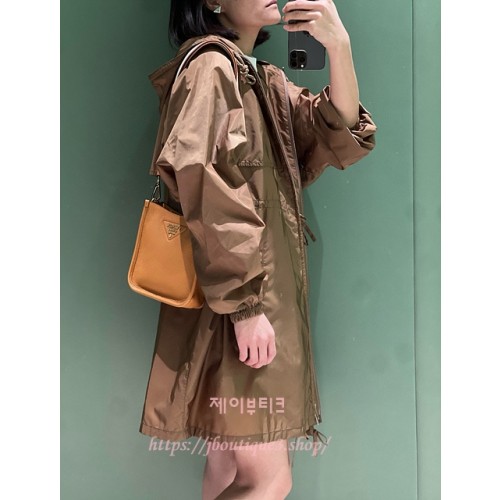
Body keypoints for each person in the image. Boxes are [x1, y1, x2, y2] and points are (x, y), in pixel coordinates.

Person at [139, 1, 377, 498]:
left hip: (235, 301)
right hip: (242, 303)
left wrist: (339, 46)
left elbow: (336, 127)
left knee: (228, 467)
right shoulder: (211, 68)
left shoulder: (259, 78)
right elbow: (209, 187)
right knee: (269, 479)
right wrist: (246, 307)